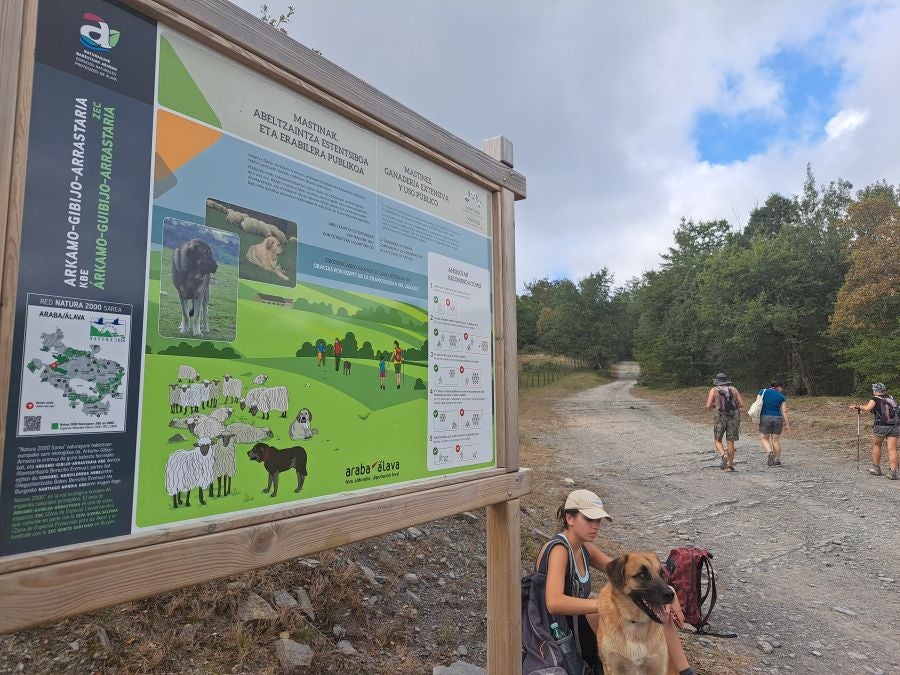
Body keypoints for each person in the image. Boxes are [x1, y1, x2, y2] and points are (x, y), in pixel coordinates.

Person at [535, 489, 695, 675]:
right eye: (589, 519)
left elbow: (623, 571)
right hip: (559, 631)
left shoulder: (583, 547)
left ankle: (672, 668)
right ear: (570, 518)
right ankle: (681, 670)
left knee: (657, 611)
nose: (595, 526)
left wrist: (668, 590)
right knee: (653, 616)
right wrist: (604, 604)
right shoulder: (559, 550)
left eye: (598, 521)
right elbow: (554, 603)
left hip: (577, 624)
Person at [850, 383, 899, 480]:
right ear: (884, 390)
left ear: (875, 390)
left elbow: (868, 408)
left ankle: (876, 468)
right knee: (892, 449)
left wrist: (858, 406)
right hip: (894, 425)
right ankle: (893, 472)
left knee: (877, 445)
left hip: (881, 425)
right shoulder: (891, 398)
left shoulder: (875, 398)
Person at [705, 373, 745, 471]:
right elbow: (741, 404)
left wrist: (717, 405)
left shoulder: (714, 390)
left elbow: (708, 406)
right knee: (730, 442)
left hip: (720, 416)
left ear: (717, 382)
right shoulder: (734, 389)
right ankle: (730, 466)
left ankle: (723, 455)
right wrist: (731, 406)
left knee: (718, 440)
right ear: (726, 381)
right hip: (733, 416)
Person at [757, 381, 790, 466]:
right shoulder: (781, 397)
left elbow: (757, 404)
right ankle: (777, 460)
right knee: (775, 440)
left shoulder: (762, 391)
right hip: (778, 418)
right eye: (781, 388)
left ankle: (770, 452)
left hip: (765, 417)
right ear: (779, 387)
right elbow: (784, 411)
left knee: (764, 438)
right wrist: (787, 424)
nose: (781, 390)